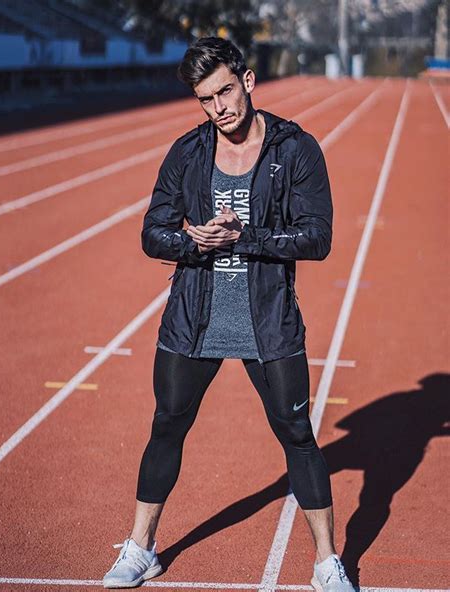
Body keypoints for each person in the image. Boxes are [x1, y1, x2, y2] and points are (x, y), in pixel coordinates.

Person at [103, 37, 354, 592]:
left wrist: (247, 236)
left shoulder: (295, 150)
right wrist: (192, 240)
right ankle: (141, 548)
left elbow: (318, 238)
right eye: (205, 99)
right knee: (167, 425)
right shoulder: (187, 153)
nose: (219, 108)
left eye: (224, 91)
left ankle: (326, 561)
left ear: (248, 81)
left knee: (296, 434)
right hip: (193, 320)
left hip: (268, 323)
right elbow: (153, 232)